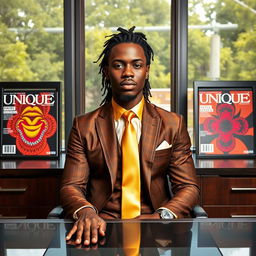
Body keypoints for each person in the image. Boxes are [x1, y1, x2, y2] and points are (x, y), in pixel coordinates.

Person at [60, 26, 199, 246]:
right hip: (102, 227)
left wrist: (161, 216)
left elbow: (188, 187)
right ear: (106, 71)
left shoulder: (173, 124)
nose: (128, 72)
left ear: (147, 70)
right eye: (118, 65)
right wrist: (86, 211)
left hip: (158, 230)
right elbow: (71, 186)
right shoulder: (83, 126)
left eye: (137, 65)